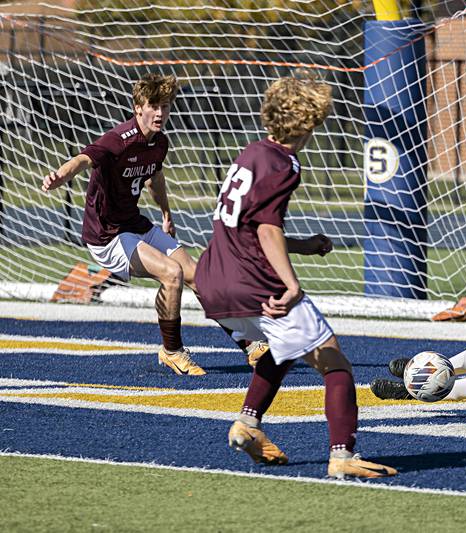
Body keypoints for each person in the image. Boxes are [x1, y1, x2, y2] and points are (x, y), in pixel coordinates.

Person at [194, 74, 396, 479]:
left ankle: (248, 424)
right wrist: (292, 284)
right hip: (252, 281)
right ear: (309, 120)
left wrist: (303, 246)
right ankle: (343, 455)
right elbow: (267, 230)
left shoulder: (250, 152)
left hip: (212, 277)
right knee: (333, 359)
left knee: (283, 347)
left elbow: (249, 226)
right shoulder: (284, 163)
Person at [41, 73, 267, 375]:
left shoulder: (159, 142)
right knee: (171, 274)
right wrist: (60, 175)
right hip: (106, 237)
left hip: (134, 224)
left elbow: (154, 177)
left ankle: (250, 346)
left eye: (165, 106)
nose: (160, 113)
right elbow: (84, 158)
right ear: (138, 108)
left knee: (200, 275)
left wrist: (166, 213)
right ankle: (172, 351)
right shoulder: (118, 140)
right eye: (153, 106)